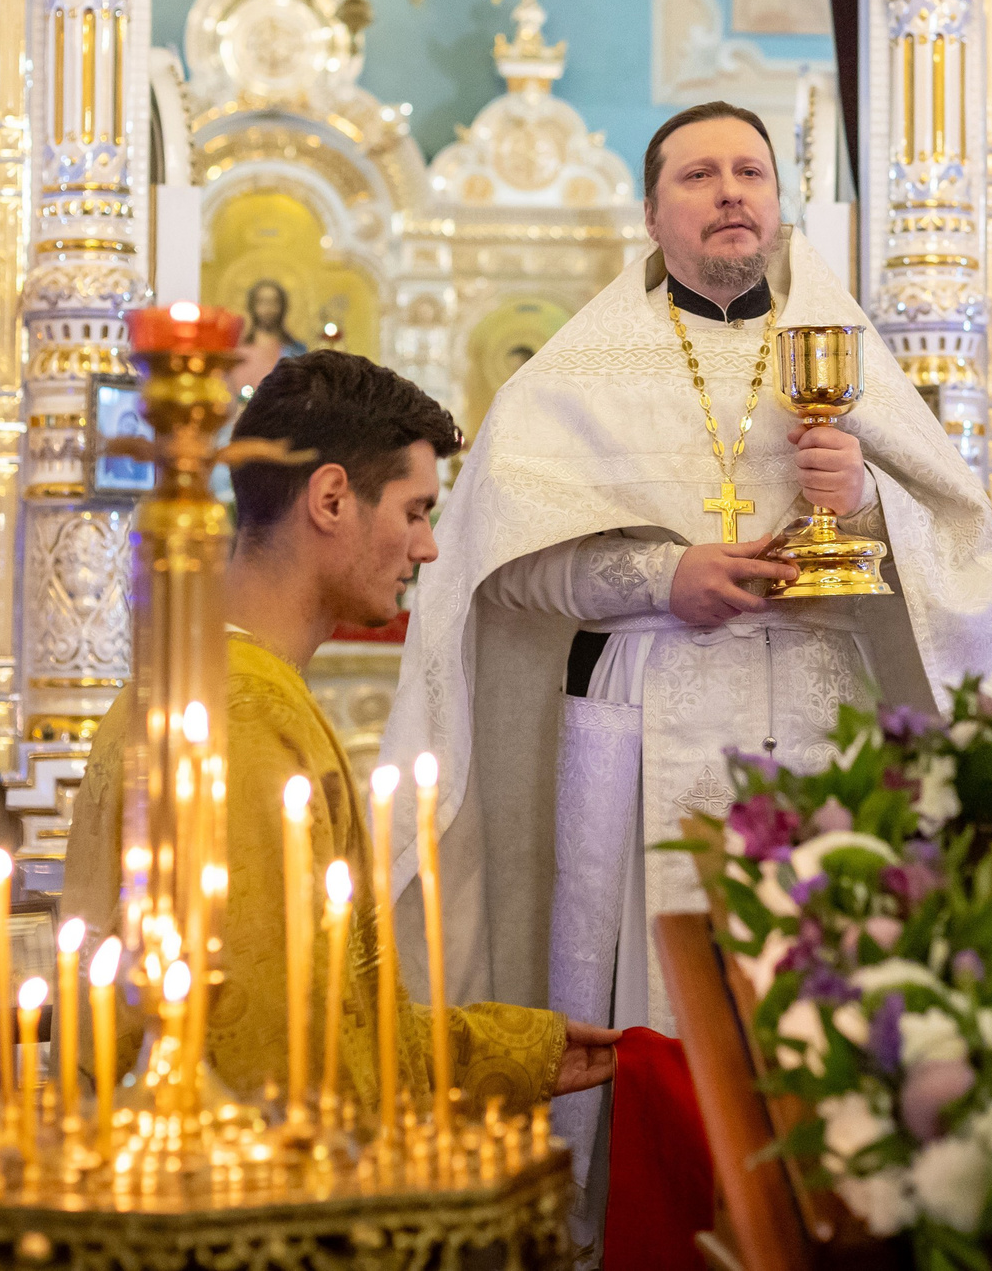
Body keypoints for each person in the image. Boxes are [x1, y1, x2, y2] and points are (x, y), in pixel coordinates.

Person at [380, 102, 992, 1215]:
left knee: (828, 1006)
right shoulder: (573, 375)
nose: (730, 193)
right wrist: (655, 580)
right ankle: (629, 1222)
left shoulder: (850, 355)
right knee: (650, 1000)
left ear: (778, 201)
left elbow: (956, 550)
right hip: (645, 723)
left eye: (751, 173)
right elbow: (503, 572)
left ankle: (838, 1223)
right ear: (651, 210)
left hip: (824, 733)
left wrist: (862, 501)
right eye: (699, 175)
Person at [61, 351, 617, 1116]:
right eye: (415, 510)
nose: (425, 548)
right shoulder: (247, 719)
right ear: (330, 498)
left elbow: (330, 1012)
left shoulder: (197, 680)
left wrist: (517, 1051)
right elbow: (266, 1063)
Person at [235, 278, 307, 399]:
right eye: (262, 302)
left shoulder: (296, 350)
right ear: (252, 306)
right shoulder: (240, 350)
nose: (268, 308)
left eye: (274, 302)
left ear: (283, 306)